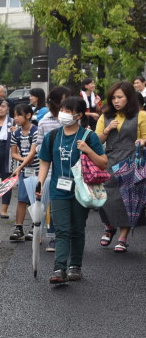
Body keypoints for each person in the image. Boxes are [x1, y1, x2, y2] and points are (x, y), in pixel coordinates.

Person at [36, 96, 107, 284]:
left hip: (81, 191)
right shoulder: (53, 136)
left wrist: (87, 150)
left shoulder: (89, 137)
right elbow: (44, 162)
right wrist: (40, 183)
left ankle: (75, 266)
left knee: (77, 229)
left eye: (68, 111)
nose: (64, 114)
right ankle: (59, 268)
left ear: (79, 115)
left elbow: (103, 162)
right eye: (62, 110)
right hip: (58, 190)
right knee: (62, 230)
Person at [96, 81, 146, 252]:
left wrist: (143, 140)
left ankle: (123, 237)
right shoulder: (105, 116)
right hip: (110, 160)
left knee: (128, 198)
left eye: (120, 97)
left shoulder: (140, 115)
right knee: (106, 195)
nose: (116, 101)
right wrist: (107, 130)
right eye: (113, 98)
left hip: (132, 160)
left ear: (129, 98)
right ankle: (109, 226)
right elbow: (97, 141)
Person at [36, 86, 72, 252]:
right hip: (52, 172)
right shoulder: (44, 122)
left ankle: (69, 235)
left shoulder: (75, 120)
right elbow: (38, 148)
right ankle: (55, 237)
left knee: (71, 205)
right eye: (65, 98)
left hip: (72, 171)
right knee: (53, 205)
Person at [9, 103, 39, 242]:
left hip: (38, 170)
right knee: (21, 199)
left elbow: (33, 153)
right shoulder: (16, 133)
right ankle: (18, 227)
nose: (15, 118)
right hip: (24, 169)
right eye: (14, 115)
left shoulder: (36, 131)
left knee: (35, 199)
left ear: (28, 115)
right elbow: (13, 153)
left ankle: (35, 226)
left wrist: (23, 163)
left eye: (18, 115)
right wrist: (23, 161)